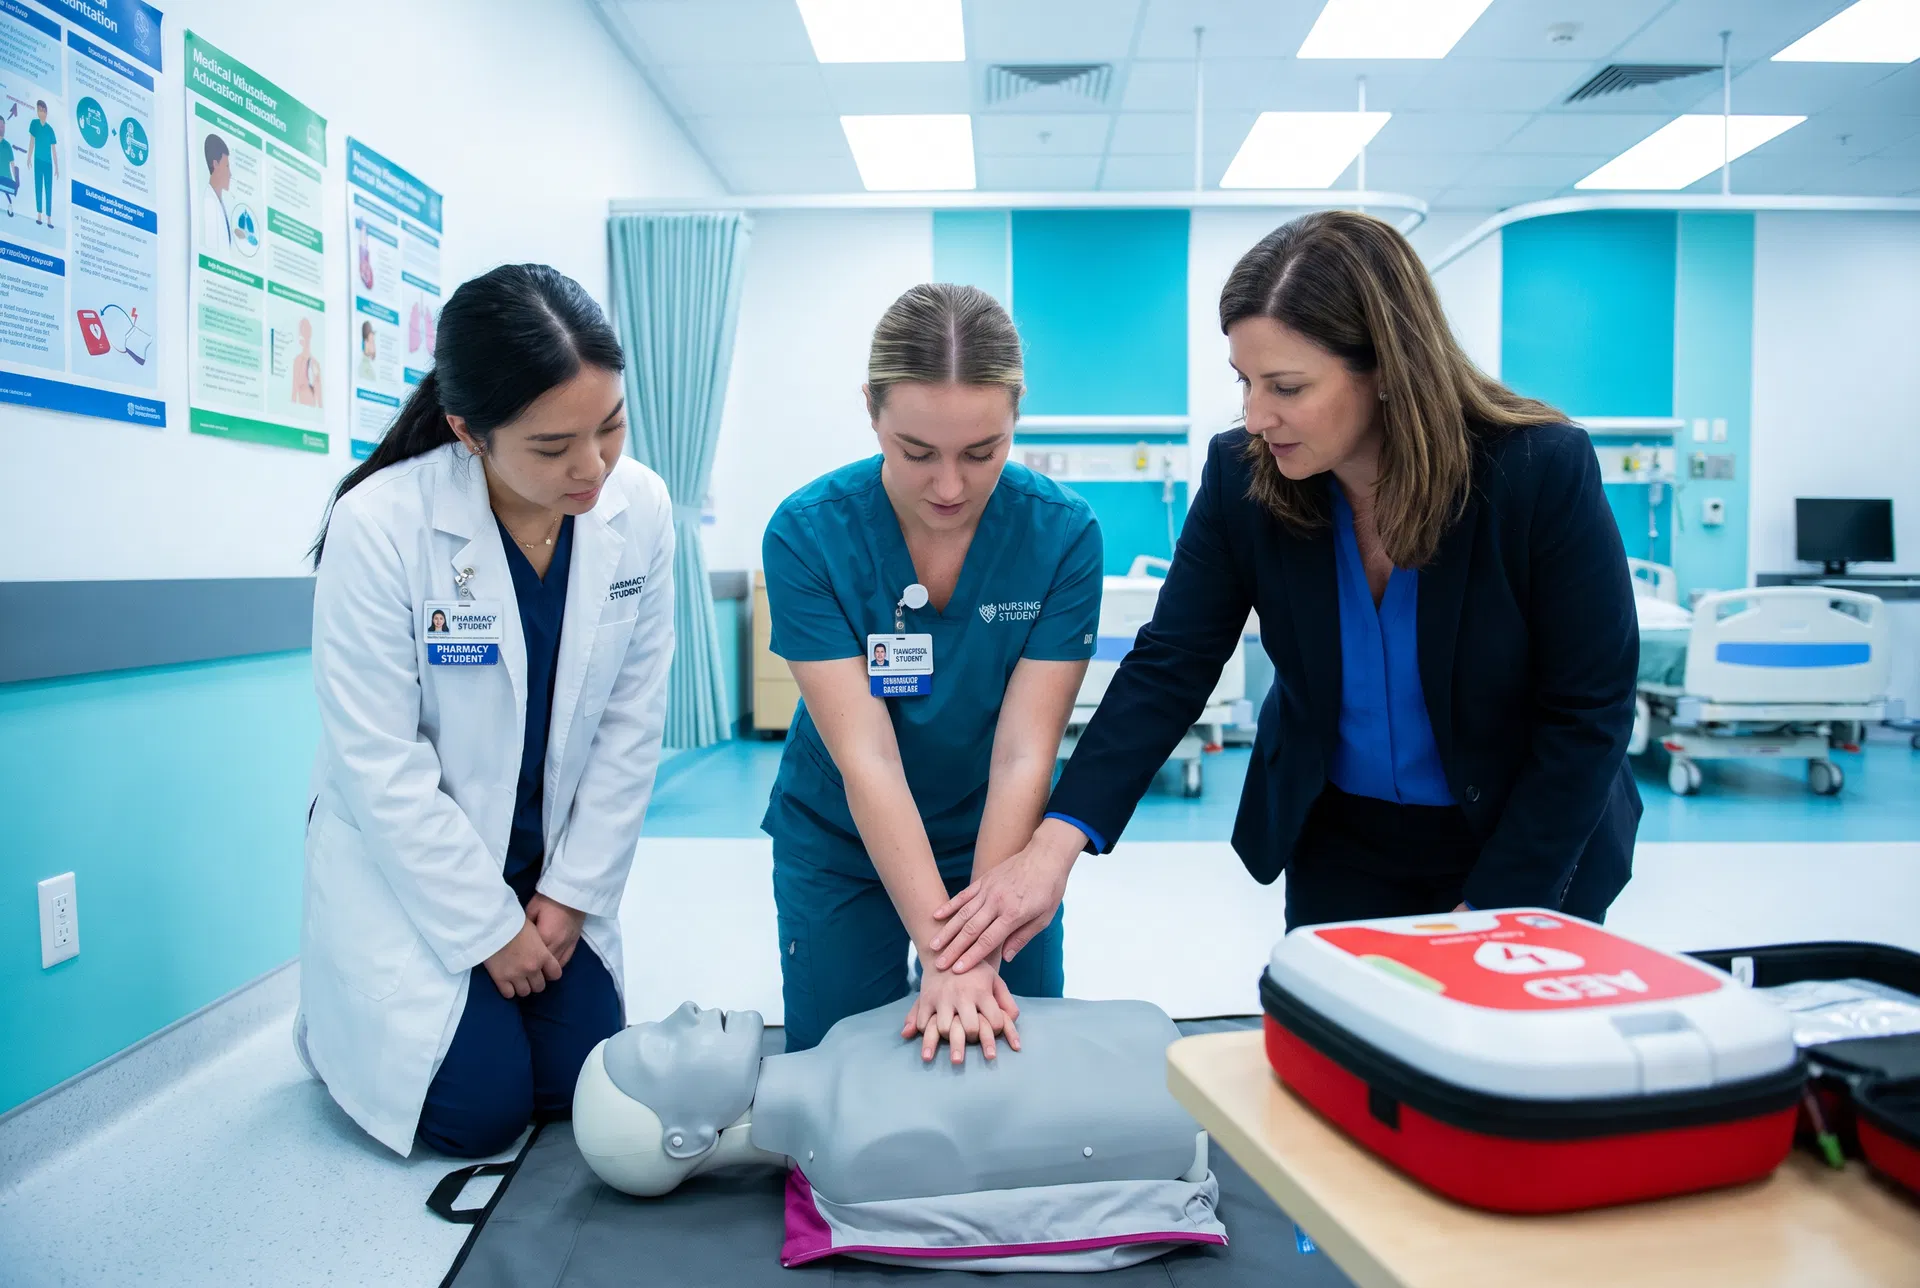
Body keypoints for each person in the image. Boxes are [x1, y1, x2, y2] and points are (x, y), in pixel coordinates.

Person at [929, 211, 1641, 977]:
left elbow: (1587, 711)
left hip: (1522, 835)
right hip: (1343, 840)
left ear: (1388, 369)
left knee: (1494, 1064)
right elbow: (1172, 664)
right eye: (1246, 381)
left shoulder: (1537, 472)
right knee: (1342, 1055)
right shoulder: (1245, 478)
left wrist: (1497, 906)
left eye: (1287, 386)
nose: (1257, 415)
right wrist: (1056, 840)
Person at [299, 263, 677, 1159]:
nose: (592, 468)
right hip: (415, 868)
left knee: (578, 1083)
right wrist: (488, 926)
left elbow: (631, 724)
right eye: (552, 448)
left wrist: (569, 896)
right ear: (468, 431)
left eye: (611, 427)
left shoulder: (641, 509)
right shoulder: (382, 525)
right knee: (482, 1114)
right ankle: (332, 1025)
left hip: (547, 869)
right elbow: (379, 764)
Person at [760, 284, 1102, 1062]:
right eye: (916, 452)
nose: (950, 487)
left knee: (1011, 1058)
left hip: (998, 840)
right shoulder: (809, 534)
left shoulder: (1061, 535)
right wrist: (953, 957)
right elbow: (867, 756)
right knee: (844, 1063)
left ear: (1017, 411)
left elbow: (1025, 752)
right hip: (844, 836)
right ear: (872, 412)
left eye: (982, 452)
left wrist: (978, 944)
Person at [26, 100, 56, 228]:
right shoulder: (34, 124)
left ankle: (49, 218)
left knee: (48, 190)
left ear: (46, 112)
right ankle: (39, 215)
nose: (41, 112)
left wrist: (57, 167)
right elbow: (32, 142)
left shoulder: (50, 129)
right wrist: (28, 157)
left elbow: (54, 150)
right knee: (38, 187)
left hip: (48, 164)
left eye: (43, 110)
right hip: (38, 161)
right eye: (39, 110)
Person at [201, 133, 231, 252]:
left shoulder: (219, 202)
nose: (230, 174)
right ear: (215, 164)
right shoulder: (209, 203)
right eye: (227, 166)